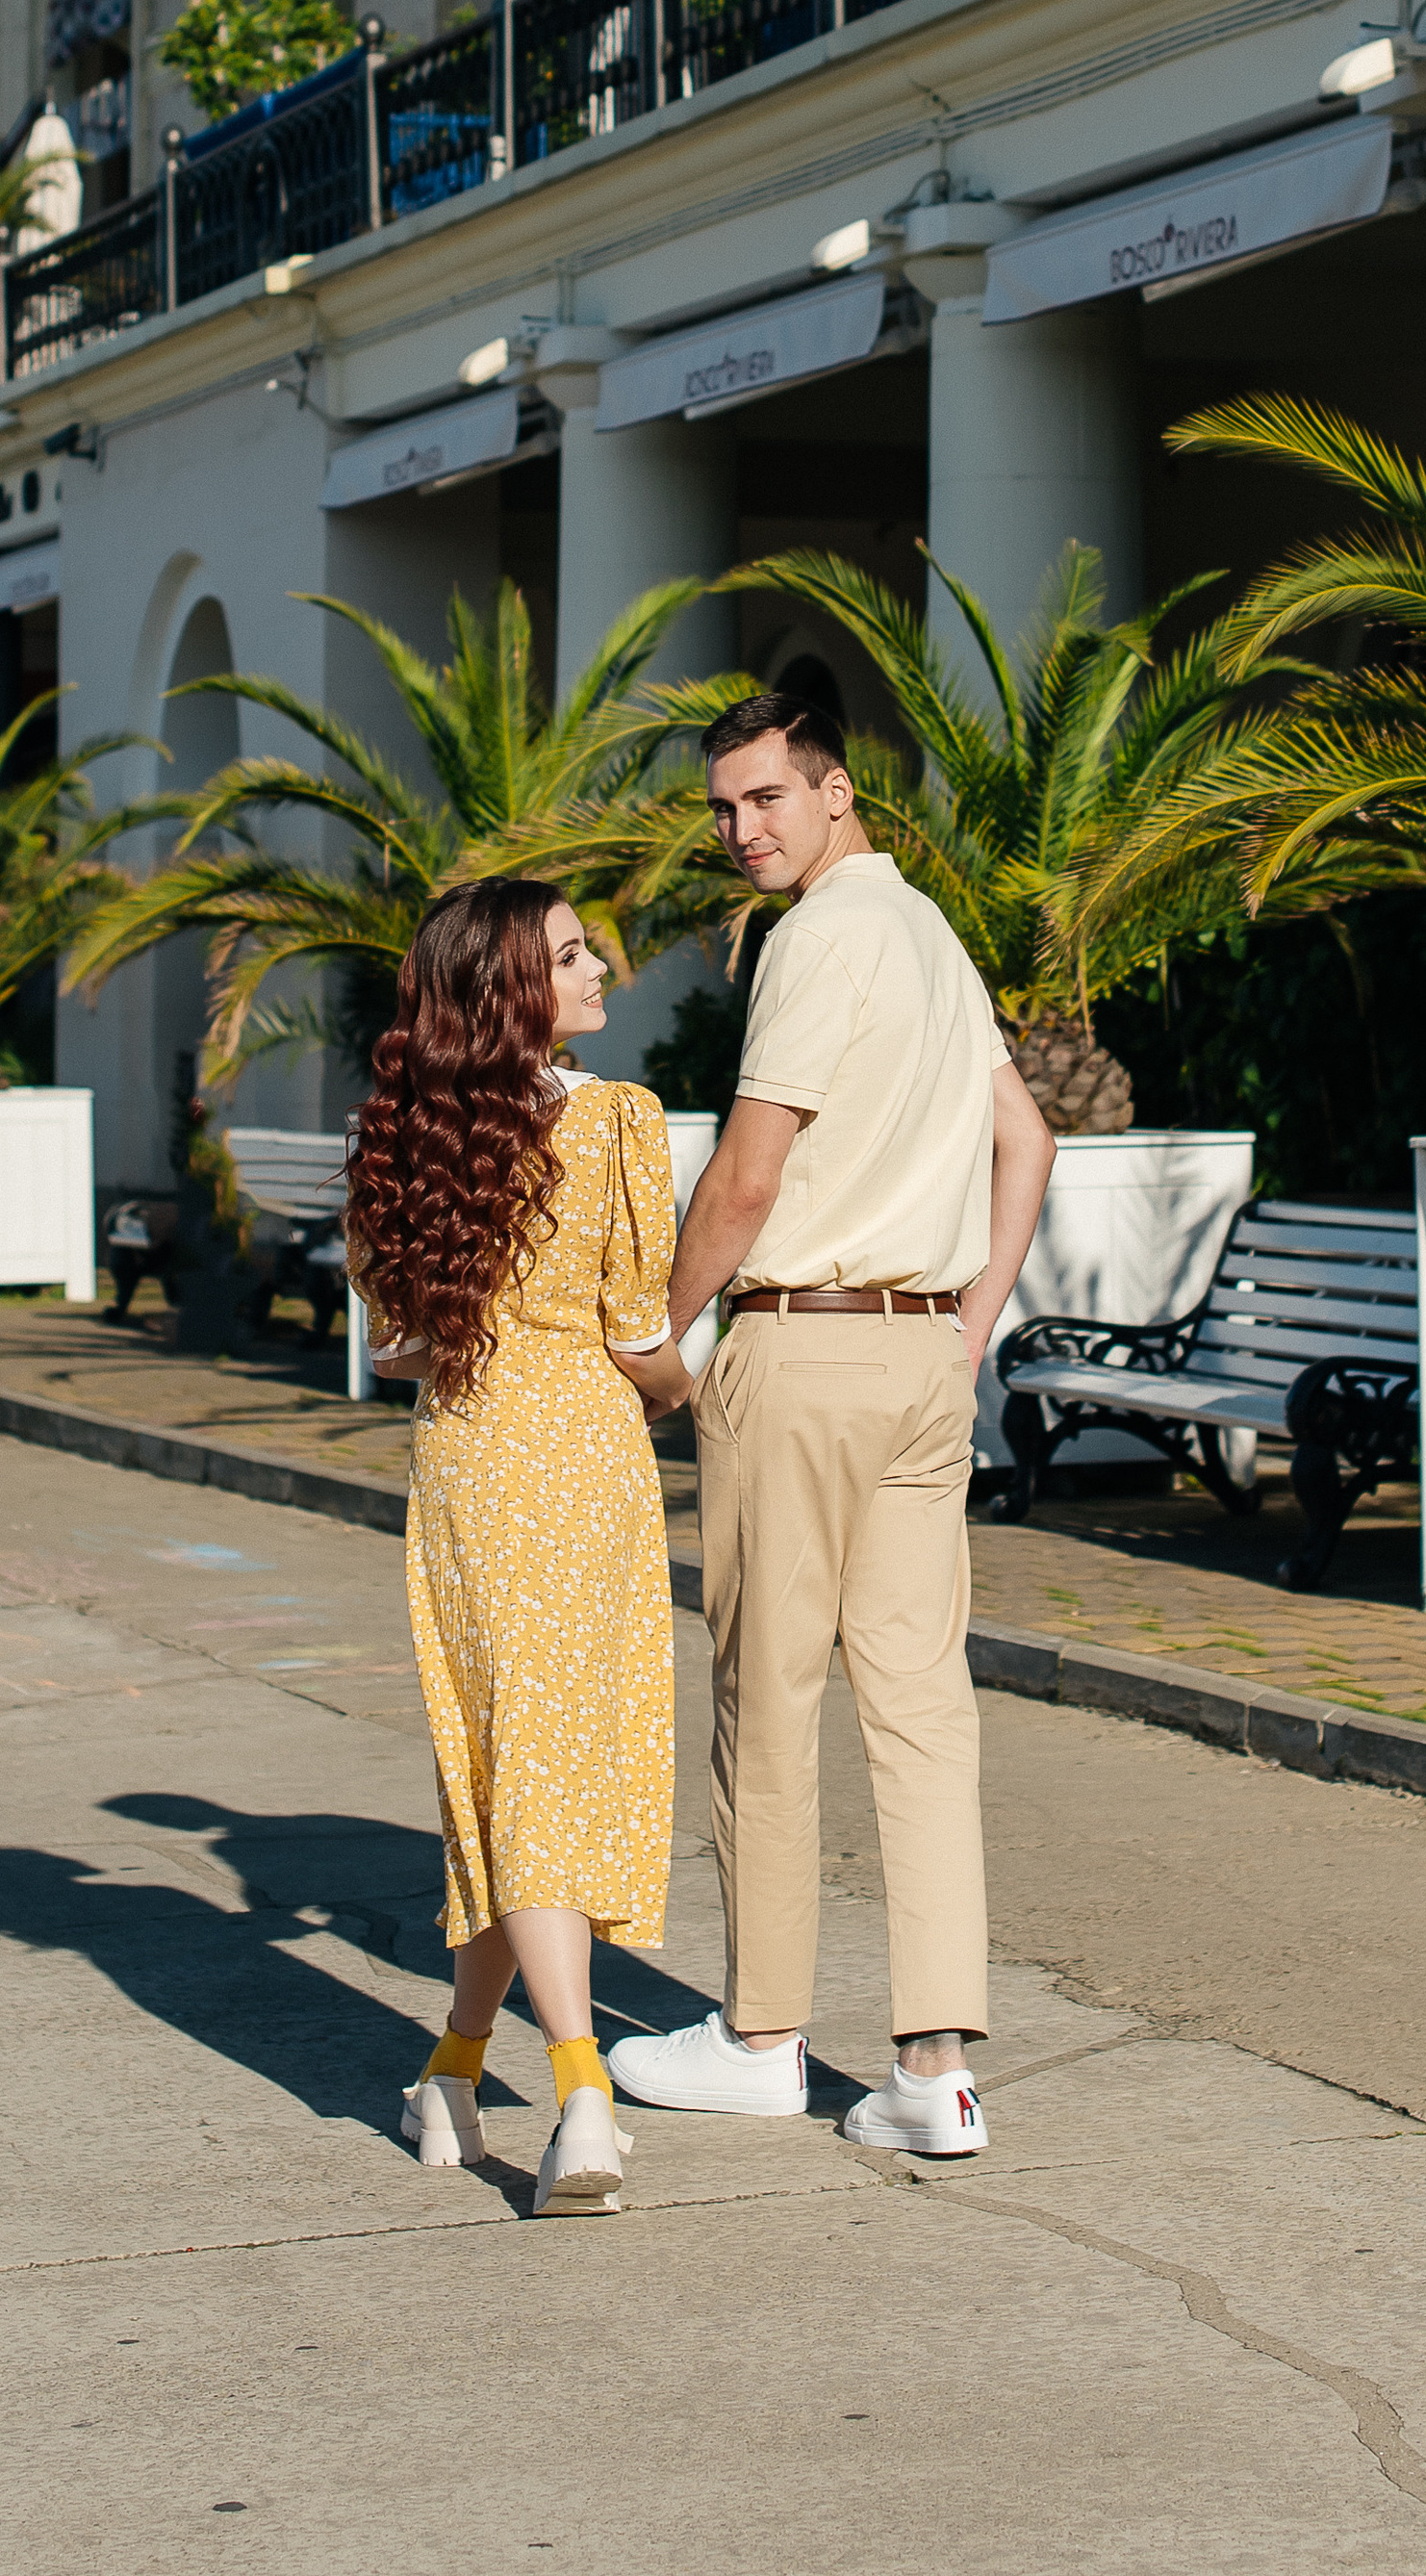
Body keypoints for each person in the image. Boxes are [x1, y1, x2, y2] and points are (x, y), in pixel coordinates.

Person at [605, 692, 1054, 2158]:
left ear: (837, 790)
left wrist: (658, 1332)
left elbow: (746, 1173)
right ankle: (933, 2073)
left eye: (766, 801)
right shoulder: (929, 935)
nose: (743, 832)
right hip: (925, 1359)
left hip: (805, 1351)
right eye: (725, 810)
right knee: (923, 1709)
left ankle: (763, 2037)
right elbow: (1026, 1138)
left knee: (768, 1696)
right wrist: (974, 1321)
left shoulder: (814, 943)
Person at [345, 877, 677, 2217]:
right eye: (574, 954)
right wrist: (694, 1393)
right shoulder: (619, 1124)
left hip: (473, 1464)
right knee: (547, 1764)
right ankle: (583, 2089)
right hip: (592, 1459)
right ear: (511, 990)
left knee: (517, 1769)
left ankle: (453, 2067)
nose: (603, 968)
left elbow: (400, 1343)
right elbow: (641, 1335)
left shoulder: (395, 1134)